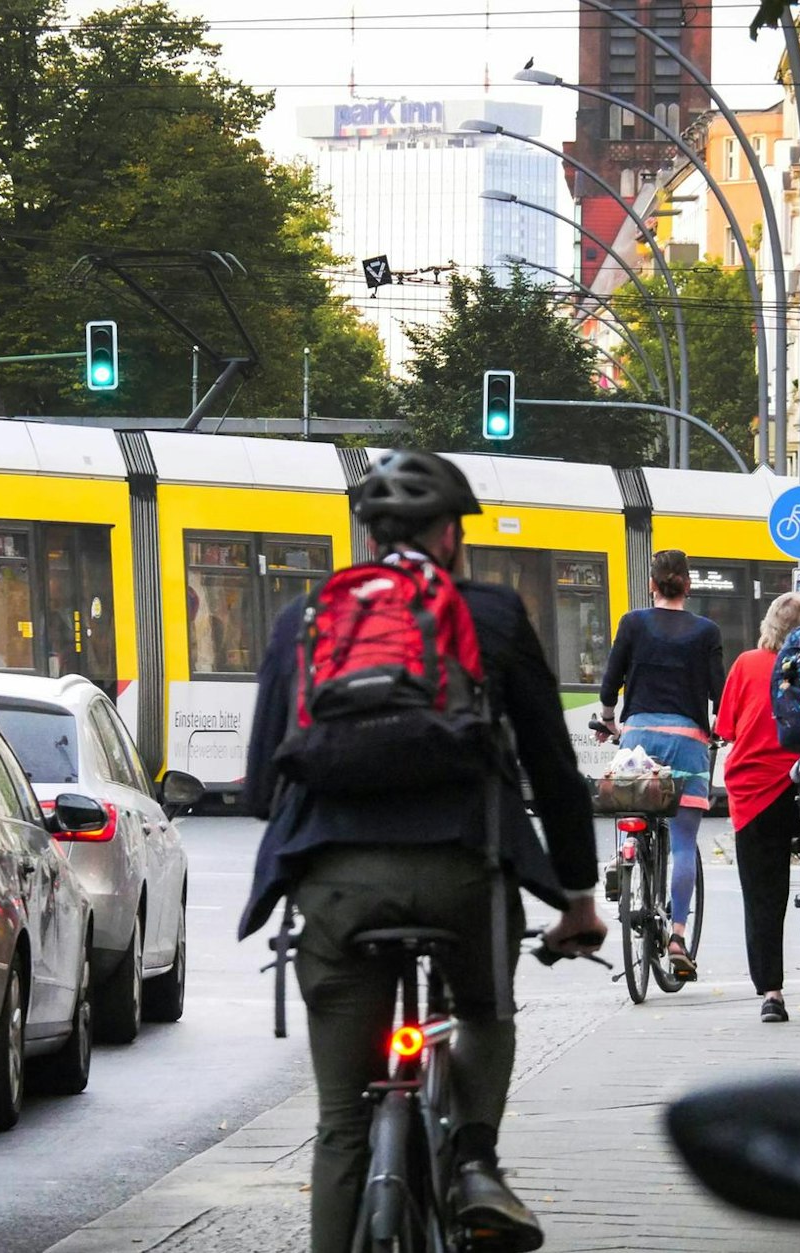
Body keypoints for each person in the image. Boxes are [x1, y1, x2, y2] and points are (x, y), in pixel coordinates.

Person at [239, 450, 606, 1253]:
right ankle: (476, 1161)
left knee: (341, 1122)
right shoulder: (494, 615)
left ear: (368, 535)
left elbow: (263, 782)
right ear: (449, 534)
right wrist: (576, 896)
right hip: (463, 876)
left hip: (333, 887)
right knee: (482, 1011)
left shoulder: (303, 618)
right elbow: (554, 766)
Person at [596, 549, 725, 981]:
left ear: (652, 584)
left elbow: (612, 679)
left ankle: (623, 861)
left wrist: (610, 722)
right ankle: (677, 937)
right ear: (687, 585)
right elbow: (718, 693)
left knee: (632, 809)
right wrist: (719, 729)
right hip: (688, 742)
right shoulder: (706, 631)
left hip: (639, 740)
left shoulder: (633, 623)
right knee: (685, 841)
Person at [713, 591, 800, 1022]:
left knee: (762, 894)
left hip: (755, 792)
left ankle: (772, 994)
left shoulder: (746, 664)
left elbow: (727, 728)